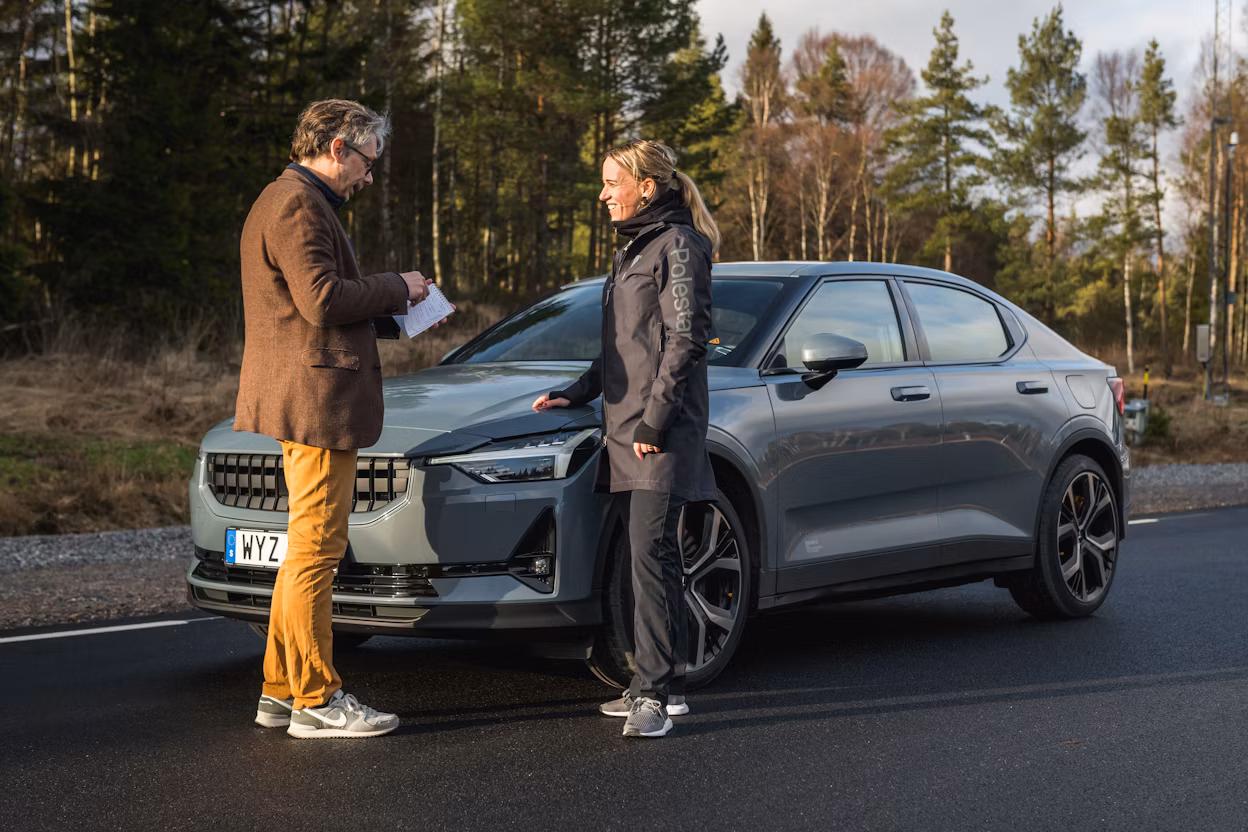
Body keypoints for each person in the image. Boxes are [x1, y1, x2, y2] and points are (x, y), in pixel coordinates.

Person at [236, 99, 442, 739]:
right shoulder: (297, 204)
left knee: (302, 551)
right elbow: (322, 300)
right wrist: (397, 286)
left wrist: (387, 312)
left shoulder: (283, 198)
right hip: (317, 403)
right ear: (334, 146)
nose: (368, 176)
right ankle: (318, 701)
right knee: (315, 554)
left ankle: (280, 688)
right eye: (366, 161)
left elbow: (308, 306)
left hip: (303, 394)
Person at [532, 139, 719, 739]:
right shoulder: (635, 248)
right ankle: (666, 685)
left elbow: (686, 341)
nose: (603, 194)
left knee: (651, 557)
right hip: (625, 429)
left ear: (646, 186)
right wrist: (579, 391)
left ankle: (655, 694)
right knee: (648, 562)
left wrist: (655, 421)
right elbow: (626, 347)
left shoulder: (680, 246)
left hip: (656, 435)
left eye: (613, 182)